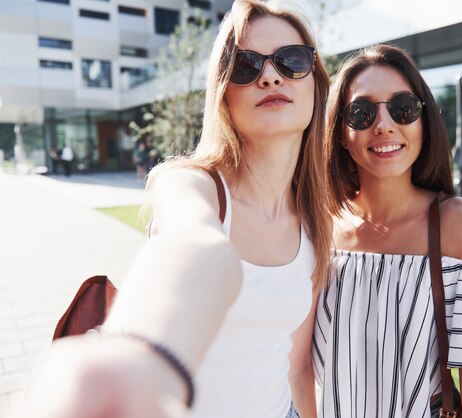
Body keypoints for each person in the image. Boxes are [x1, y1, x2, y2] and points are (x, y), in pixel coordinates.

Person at [22, 1, 331, 417]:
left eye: (291, 61)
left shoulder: (313, 220)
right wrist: (139, 356)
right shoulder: (190, 184)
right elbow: (196, 248)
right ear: (223, 94)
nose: (271, 75)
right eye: (246, 65)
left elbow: (296, 362)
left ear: (316, 83)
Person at [313, 44, 462, 418]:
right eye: (361, 112)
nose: (384, 124)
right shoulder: (317, 224)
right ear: (341, 133)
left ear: (424, 122)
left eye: (403, 108)